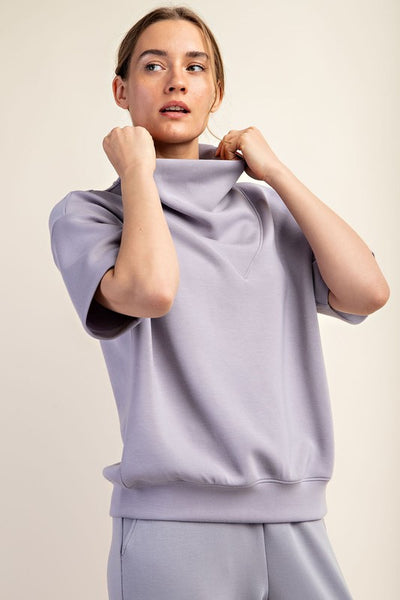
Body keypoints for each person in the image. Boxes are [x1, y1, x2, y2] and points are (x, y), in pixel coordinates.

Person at [48, 5, 390, 600]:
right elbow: (151, 291)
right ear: (121, 91)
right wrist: (138, 172)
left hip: (296, 518)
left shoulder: (267, 209)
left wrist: (276, 172)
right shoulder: (91, 215)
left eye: (195, 67)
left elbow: (369, 291)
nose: (176, 82)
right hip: (173, 527)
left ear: (216, 92)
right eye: (153, 66)